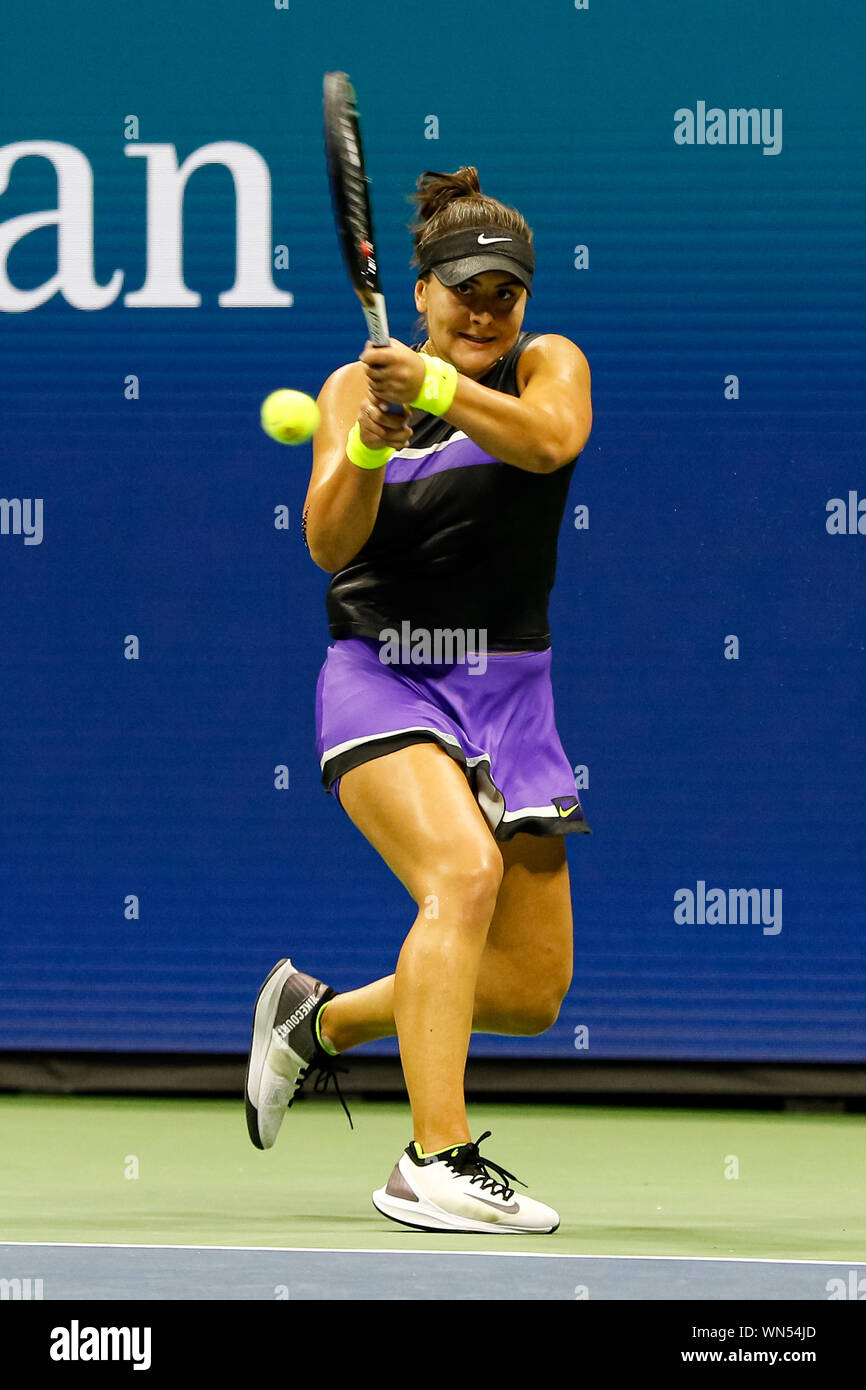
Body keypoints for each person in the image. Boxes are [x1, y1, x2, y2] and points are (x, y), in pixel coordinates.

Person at [244, 166, 593, 1234]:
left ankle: (316, 1023)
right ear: (423, 288)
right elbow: (325, 544)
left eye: (505, 292)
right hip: (381, 674)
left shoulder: (548, 367)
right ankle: (431, 1158)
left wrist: (436, 393)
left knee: (530, 992)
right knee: (459, 872)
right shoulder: (357, 389)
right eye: (463, 290)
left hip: (511, 695)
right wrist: (363, 445)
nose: (485, 310)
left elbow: (547, 443)